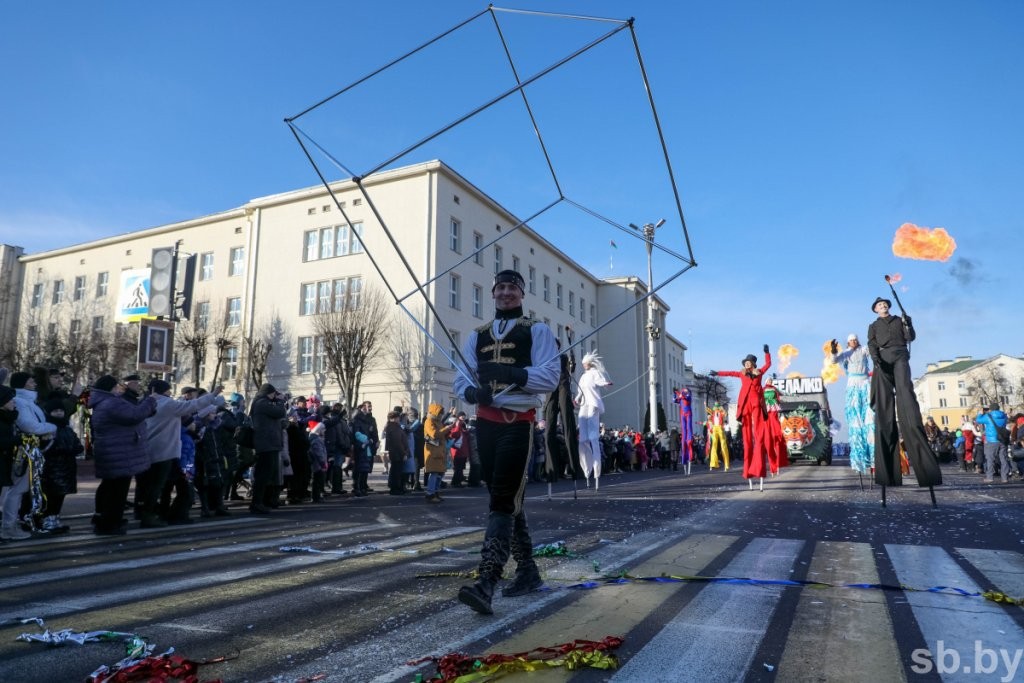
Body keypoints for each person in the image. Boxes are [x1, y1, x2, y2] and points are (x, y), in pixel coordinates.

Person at [453, 269, 560, 615]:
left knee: (502, 500)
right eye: (500, 287)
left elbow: (550, 376)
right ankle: (527, 570)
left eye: (512, 287)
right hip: (485, 423)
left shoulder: (537, 330)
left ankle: (487, 582)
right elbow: (461, 377)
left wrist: (512, 375)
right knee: (506, 496)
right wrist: (472, 391)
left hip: (518, 423)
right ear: (493, 293)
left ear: (521, 294)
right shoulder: (477, 335)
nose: (506, 293)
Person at [867, 296, 942, 491]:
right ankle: (888, 474)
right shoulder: (873, 325)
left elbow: (911, 338)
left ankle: (924, 468)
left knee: (905, 394)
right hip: (883, 357)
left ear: (887, 307)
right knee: (884, 404)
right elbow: (872, 344)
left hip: (900, 354)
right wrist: (876, 360)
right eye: (879, 305)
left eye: (885, 304)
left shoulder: (899, 320)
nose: (883, 306)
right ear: (875, 310)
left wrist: (909, 324)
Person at [87, 375, 157, 535]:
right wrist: (150, 400)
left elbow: (133, 412)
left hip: (112, 452)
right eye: (117, 386)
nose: (120, 388)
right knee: (117, 492)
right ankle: (111, 524)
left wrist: (146, 406)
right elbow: (134, 415)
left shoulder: (104, 401)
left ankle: (106, 520)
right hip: (119, 453)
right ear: (112, 387)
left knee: (111, 488)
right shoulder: (111, 402)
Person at [710, 345, 772, 485]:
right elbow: (730, 373)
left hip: (755, 403)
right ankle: (748, 467)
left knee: (758, 433)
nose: (747, 364)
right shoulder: (742, 373)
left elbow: (768, 364)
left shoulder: (759, 372)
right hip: (744, 405)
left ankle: (759, 461)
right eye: (746, 362)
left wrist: (767, 353)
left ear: (753, 363)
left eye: (749, 362)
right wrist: (717, 373)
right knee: (747, 437)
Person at [830, 334, 875, 476]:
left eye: (855, 340)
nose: (854, 342)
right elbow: (834, 361)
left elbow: (874, 350)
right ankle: (858, 460)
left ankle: (873, 458)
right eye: (851, 340)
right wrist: (833, 351)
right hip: (853, 385)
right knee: (856, 419)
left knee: (870, 417)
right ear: (848, 342)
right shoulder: (846, 353)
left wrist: (875, 339)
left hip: (865, 383)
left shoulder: (863, 350)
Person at [37, 398, 83, 532]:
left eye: (61, 410)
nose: (59, 413)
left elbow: (78, 445)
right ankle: (47, 520)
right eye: (55, 411)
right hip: (52, 469)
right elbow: (46, 448)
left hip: (67, 468)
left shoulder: (67, 428)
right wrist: (64, 450)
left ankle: (55, 519)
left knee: (60, 496)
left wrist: (73, 449)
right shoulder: (47, 428)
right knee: (51, 497)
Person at [542, 336, 578, 483]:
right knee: (548, 432)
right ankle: (551, 471)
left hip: (563, 387)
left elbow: (572, 368)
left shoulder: (562, 356)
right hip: (551, 391)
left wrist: (572, 356)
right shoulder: (545, 358)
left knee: (568, 427)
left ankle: (575, 469)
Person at [575, 351, 612, 489]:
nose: (583, 365)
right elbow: (580, 390)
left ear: (589, 363)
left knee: (593, 437)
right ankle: (586, 469)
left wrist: (606, 383)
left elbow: (600, 381)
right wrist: (577, 398)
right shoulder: (583, 376)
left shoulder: (595, 373)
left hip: (593, 404)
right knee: (583, 439)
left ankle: (596, 471)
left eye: (585, 363)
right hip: (584, 404)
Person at [249, 384, 288, 513]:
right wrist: (281, 401)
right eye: (274, 394)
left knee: (267, 474)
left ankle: (263, 501)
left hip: (268, 443)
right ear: (269, 393)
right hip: (266, 443)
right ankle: (257, 503)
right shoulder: (261, 402)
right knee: (263, 475)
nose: (275, 397)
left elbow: (278, 417)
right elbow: (280, 412)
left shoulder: (264, 403)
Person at [976, 402, 1010, 484]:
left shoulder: (988, 416)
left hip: (991, 440)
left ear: (991, 409)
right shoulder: (1004, 416)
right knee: (1004, 459)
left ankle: (990, 477)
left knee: (990, 459)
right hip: (1002, 440)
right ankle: (1005, 478)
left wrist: (980, 413)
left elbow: (978, 420)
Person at [761, 377, 789, 475]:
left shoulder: (774, 389)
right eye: (769, 380)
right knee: (768, 439)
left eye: (771, 381)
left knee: (774, 422)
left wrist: (783, 396)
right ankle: (772, 467)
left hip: (773, 408)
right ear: (766, 381)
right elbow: (759, 397)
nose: (770, 382)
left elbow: (780, 395)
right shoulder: (763, 389)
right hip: (766, 409)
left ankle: (777, 434)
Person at [672, 387, 694, 472]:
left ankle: (689, 440)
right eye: (683, 392)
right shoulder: (681, 398)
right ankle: (685, 442)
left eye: (685, 392)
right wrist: (674, 393)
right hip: (682, 415)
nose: (684, 393)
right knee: (684, 430)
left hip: (688, 414)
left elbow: (686, 397)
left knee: (689, 428)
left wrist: (678, 393)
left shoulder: (687, 396)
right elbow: (674, 400)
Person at [705, 403, 730, 470]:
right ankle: (713, 463)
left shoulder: (721, 413)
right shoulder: (713, 413)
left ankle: (726, 465)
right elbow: (708, 410)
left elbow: (725, 414)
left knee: (723, 446)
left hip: (720, 428)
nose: (716, 408)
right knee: (714, 445)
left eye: (717, 407)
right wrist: (705, 405)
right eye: (715, 407)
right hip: (715, 429)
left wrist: (723, 409)